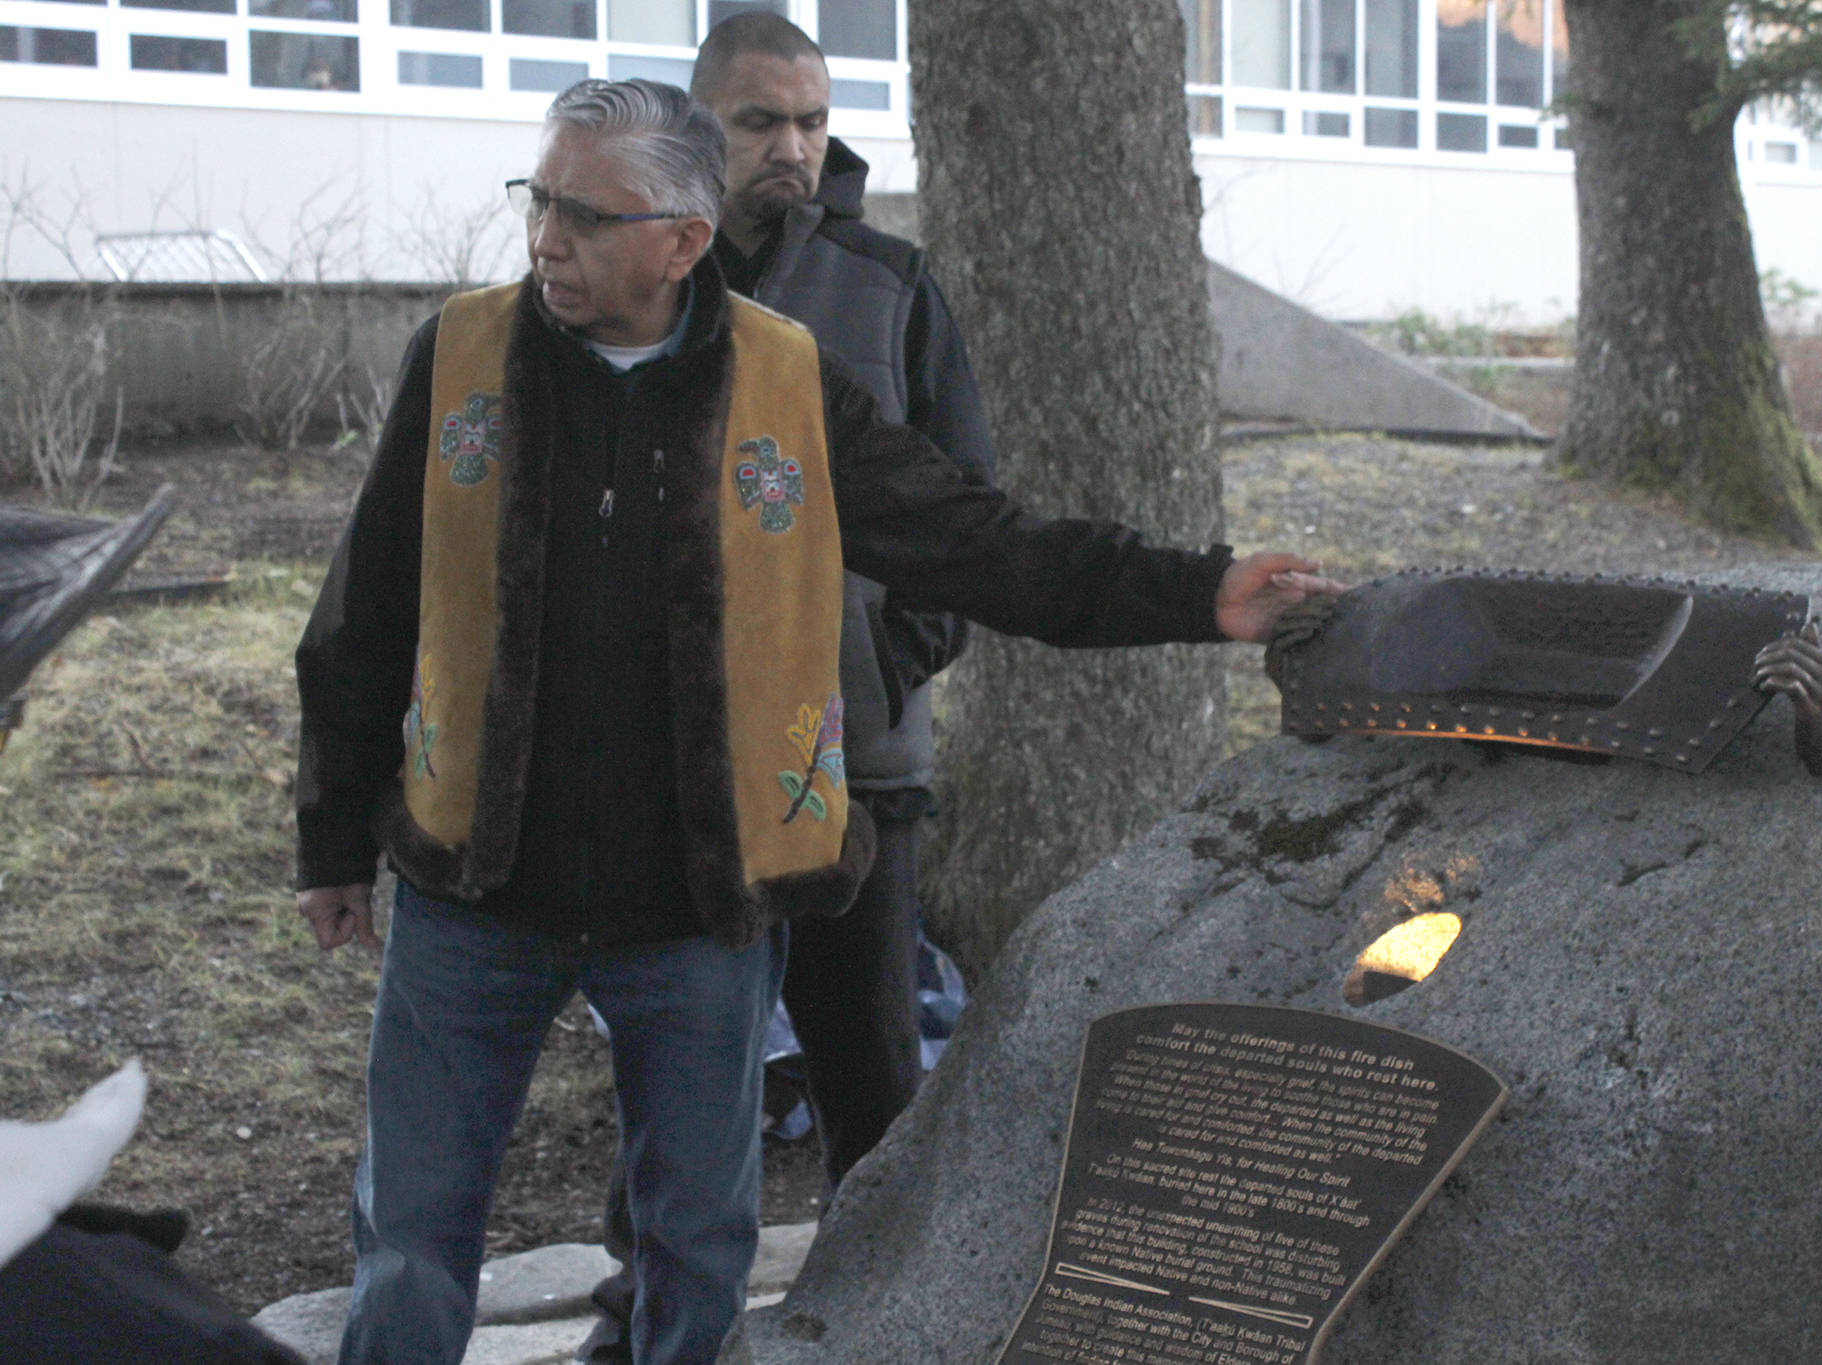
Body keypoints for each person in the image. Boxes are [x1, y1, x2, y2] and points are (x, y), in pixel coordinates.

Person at [293, 78, 1337, 1365]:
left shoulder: (788, 383)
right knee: (411, 1230)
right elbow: (365, 608)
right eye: (537, 199)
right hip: (471, 890)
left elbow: (977, 544)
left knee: (699, 1238)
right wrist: (333, 837)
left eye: (584, 213)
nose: (545, 239)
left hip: (695, 903)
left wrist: (1201, 593)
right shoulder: (455, 357)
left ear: (683, 240)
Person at [580, 17, 991, 1360]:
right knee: (677, 1077)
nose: (795, 148)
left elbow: (963, 515)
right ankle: (641, 1319)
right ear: (698, 129)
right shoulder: (621, 283)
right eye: (763, 122)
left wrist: (885, 652)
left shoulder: (892, 288)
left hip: (857, 771)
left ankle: (885, 1323)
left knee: (873, 1074)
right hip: (674, 775)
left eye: (813, 121)